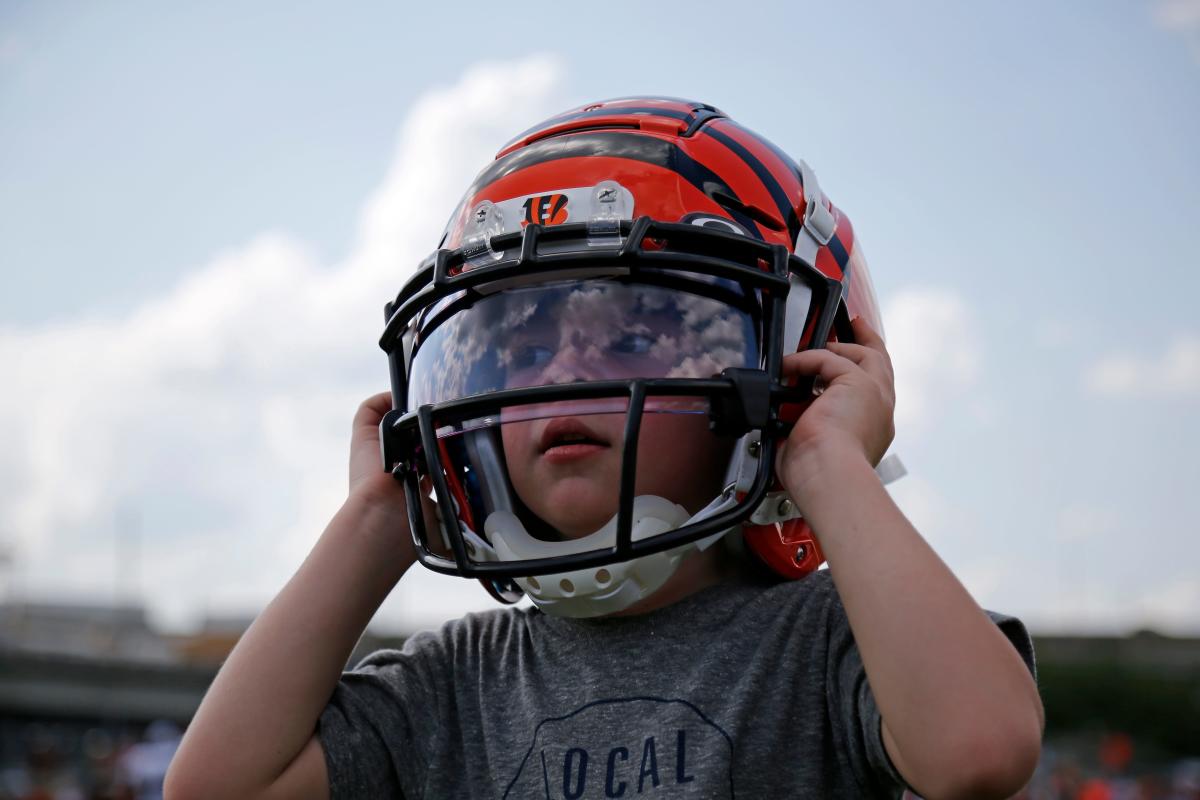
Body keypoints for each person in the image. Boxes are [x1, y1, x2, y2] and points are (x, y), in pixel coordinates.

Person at [165, 97, 1044, 799]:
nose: (564, 375)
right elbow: (215, 787)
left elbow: (978, 752)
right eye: (525, 348)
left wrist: (827, 466)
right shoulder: (456, 682)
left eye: (636, 339)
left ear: (798, 382)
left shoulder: (826, 639)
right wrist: (373, 520)